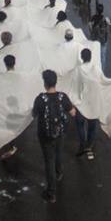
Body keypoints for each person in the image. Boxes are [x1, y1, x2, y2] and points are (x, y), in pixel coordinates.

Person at [32, 69, 76, 203]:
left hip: (45, 135)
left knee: (49, 161)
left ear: (45, 83)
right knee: (58, 153)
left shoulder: (40, 99)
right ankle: (59, 173)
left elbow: (34, 114)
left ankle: (51, 192)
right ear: (56, 82)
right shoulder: (63, 97)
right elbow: (73, 113)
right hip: (60, 133)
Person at [74, 48, 100, 160]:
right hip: (93, 102)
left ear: (82, 57)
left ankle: (82, 144)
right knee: (92, 127)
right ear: (91, 57)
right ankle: (89, 147)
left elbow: (76, 86)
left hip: (82, 103)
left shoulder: (79, 69)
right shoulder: (96, 69)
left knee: (80, 125)